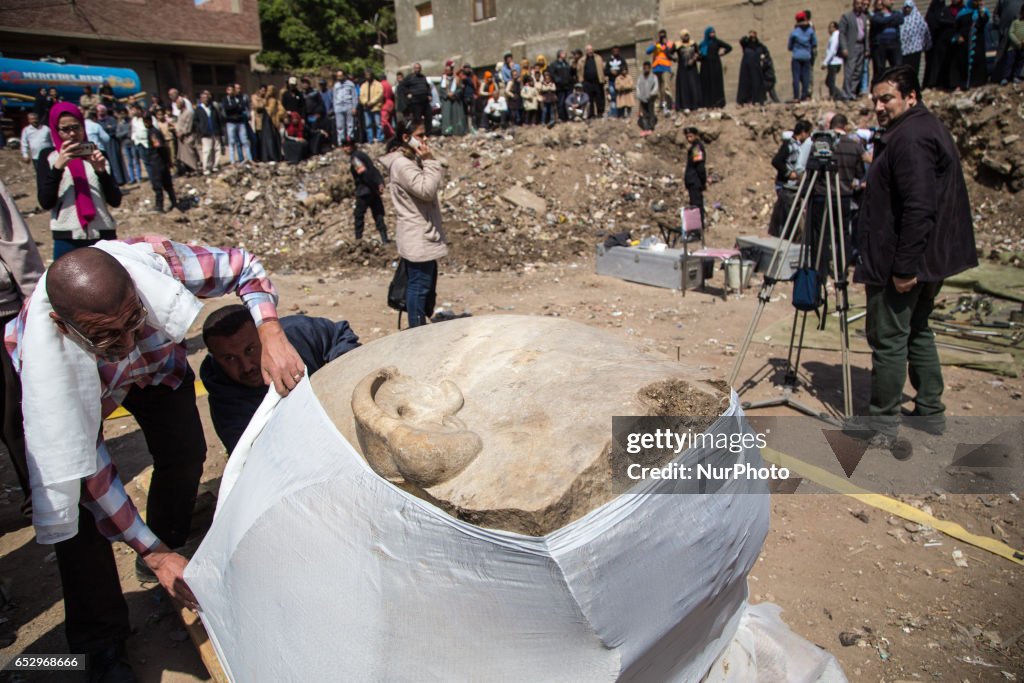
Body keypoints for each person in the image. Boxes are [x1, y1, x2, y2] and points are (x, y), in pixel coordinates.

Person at [5, 236, 303, 681]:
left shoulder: (161, 265)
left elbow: (244, 266)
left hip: (157, 371)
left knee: (185, 453)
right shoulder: (46, 363)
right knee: (76, 520)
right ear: (65, 327)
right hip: (76, 395)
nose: (126, 341)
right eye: (108, 335)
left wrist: (270, 330)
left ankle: (168, 547)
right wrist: (153, 554)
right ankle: (100, 645)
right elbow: (89, 469)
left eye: (134, 320)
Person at [853, 65, 976, 443]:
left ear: (911, 96)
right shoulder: (923, 129)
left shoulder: (910, 139)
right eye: (875, 99)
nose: (879, 106)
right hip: (928, 260)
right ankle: (930, 412)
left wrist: (904, 267)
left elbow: (919, 206)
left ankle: (884, 425)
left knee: (890, 340)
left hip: (906, 263)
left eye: (886, 98)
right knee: (919, 332)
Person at [200, 305, 359, 453]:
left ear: (263, 337)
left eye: (250, 349)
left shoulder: (297, 333)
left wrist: (339, 381)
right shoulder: (228, 410)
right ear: (215, 359)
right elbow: (254, 459)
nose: (246, 366)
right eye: (230, 358)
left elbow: (338, 335)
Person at [0, 179, 45, 517]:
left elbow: (15, 242)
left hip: (4, 312)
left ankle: (38, 488)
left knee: (14, 405)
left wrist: (37, 302)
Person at [381, 121, 447, 328]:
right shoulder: (402, 164)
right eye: (420, 135)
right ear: (405, 137)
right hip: (417, 233)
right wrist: (430, 162)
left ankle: (417, 326)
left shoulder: (409, 160)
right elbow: (426, 190)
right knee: (419, 286)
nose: (425, 139)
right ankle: (416, 330)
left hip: (420, 232)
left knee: (421, 284)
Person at [37, 103, 121, 259]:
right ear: (56, 129)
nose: (72, 134)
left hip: (102, 233)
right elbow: (45, 202)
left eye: (76, 127)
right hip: (67, 237)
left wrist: (101, 171)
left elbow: (115, 200)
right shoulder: (48, 157)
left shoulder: (98, 154)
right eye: (65, 129)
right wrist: (58, 168)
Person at [808, 113, 866, 280]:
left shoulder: (820, 145)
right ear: (845, 126)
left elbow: (810, 169)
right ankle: (841, 270)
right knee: (842, 234)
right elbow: (860, 172)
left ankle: (821, 269)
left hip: (822, 194)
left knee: (822, 234)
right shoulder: (854, 146)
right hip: (843, 196)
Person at [769, 120, 813, 237]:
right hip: (784, 185)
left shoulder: (797, 145)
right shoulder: (790, 145)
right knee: (789, 215)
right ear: (803, 133)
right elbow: (776, 161)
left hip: (790, 186)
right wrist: (789, 173)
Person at [341, 137, 389, 244]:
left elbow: (365, 174)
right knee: (378, 214)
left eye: (348, 146)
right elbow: (374, 169)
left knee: (359, 215)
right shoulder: (362, 155)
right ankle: (385, 239)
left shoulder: (355, 158)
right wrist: (379, 183)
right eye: (345, 146)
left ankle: (358, 240)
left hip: (364, 191)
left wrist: (374, 185)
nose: (346, 148)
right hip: (373, 190)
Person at [142, 112, 179, 213]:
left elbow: (159, 146)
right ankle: (173, 202)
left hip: (157, 162)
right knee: (167, 184)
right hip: (161, 161)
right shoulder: (154, 131)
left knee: (158, 185)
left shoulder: (153, 132)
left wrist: (166, 160)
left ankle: (160, 206)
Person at [952, 0, 992, 88]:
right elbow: (956, 28)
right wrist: (958, 37)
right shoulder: (963, 13)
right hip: (964, 45)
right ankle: (964, 84)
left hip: (977, 44)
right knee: (963, 64)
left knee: (978, 63)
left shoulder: (982, 12)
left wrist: (981, 10)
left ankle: (978, 83)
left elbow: (984, 22)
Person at [840, 0, 872, 98]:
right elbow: (842, 33)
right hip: (851, 47)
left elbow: (866, 35)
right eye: (857, 4)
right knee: (850, 70)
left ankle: (852, 92)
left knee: (858, 71)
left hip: (861, 46)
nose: (859, 6)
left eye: (861, 4)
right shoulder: (847, 17)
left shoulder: (864, 17)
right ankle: (846, 93)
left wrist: (867, 49)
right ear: (854, 4)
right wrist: (844, 47)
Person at [699, 27, 732, 108]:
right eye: (711, 33)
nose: (713, 34)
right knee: (706, 83)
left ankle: (718, 103)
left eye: (714, 33)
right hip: (705, 66)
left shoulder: (717, 42)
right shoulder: (703, 44)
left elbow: (729, 47)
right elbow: (699, 54)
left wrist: (722, 53)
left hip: (715, 65)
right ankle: (707, 103)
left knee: (716, 83)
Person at [871, 0, 906, 75]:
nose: (892, 2)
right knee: (879, 69)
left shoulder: (896, 13)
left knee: (897, 68)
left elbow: (901, 19)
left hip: (894, 44)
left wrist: (886, 21)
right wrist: (891, 20)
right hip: (880, 45)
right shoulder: (876, 15)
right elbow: (880, 21)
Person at [789, 12, 818, 101]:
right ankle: (805, 96)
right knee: (806, 77)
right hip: (807, 57)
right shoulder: (810, 31)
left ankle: (796, 96)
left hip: (796, 56)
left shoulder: (794, 33)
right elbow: (814, 43)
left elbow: (790, 46)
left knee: (796, 77)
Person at [683, 127, 708, 228]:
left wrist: (703, 181)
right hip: (692, 181)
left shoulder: (697, 148)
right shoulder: (694, 147)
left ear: (696, 135)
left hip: (695, 181)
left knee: (697, 206)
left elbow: (700, 167)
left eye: (691, 136)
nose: (689, 139)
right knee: (694, 205)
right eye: (687, 137)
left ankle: (698, 228)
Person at [901, 0, 933, 76]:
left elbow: (925, 31)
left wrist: (927, 44)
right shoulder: (901, 18)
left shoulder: (918, 19)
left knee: (914, 68)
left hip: (916, 49)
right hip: (904, 49)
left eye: (909, 7)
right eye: (906, 7)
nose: (907, 9)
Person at [646, 30, 675, 112]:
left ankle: (669, 104)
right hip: (656, 69)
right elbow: (648, 51)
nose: (662, 37)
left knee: (666, 87)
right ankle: (660, 106)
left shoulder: (669, 44)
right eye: (660, 36)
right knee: (658, 89)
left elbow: (671, 52)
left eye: (663, 35)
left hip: (665, 68)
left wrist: (665, 44)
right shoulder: (656, 44)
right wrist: (656, 44)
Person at [995, 0, 1024, 82]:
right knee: (1005, 57)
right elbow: (996, 14)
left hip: (1020, 35)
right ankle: (1003, 77)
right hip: (1005, 32)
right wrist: (999, 25)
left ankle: (1017, 76)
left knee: (1020, 59)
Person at [222, 85, 252, 164]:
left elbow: (242, 107)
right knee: (232, 142)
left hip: (240, 122)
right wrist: (235, 107)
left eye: (232, 90)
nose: (231, 91)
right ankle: (232, 161)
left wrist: (234, 107)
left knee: (245, 141)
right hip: (231, 122)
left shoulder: (238, 98)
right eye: (229, 89)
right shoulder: (225, 99)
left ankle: (250, 159)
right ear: (227, 91)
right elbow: (227, 109)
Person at [738, 30, 770, 104]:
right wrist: (748, 36)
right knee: (746, 83)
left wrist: (763, 58)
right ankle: (746, 99)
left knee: (756, 83)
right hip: (746, 68)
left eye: (754, 35)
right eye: (751, 36)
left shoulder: (759, 46)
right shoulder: (746, 45)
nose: (752, 38)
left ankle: (757, 99)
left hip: (756, 67)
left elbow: (766, 53)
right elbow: (741, 41)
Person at [675, 30, 703, 111]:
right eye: (685, 35)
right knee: (684, 87)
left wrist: (694, 59)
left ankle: (695, 105)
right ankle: (685, 105)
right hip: (682, 70)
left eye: (687, 35)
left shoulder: (693, 44)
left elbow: (699, 53)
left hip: (692, 69)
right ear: (681, 36)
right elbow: (669, 52)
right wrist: (674, 58)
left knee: (693, 85)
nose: (686, 37)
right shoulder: (678, 45)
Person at [195, 91, 222, 175]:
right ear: (201, 99)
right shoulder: (198, 109)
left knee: (217, 149)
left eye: (207, 98)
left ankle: (215, 166)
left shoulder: (213, 108)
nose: (206, 100)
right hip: (205, 133)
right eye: (204, 98)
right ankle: (206, 167)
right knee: (207, 151)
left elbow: (218, 120)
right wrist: (200, 130)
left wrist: (220, 131)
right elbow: (196, 122)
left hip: (215, 132)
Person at [403, 63, 433, 134]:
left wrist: (429, 95)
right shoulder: (409, 77)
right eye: (416, 68)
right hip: (416, 101)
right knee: (417, 118)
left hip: (425, 101)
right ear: (414, 69)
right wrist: (408, 93)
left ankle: (428, 132)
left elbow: (427, 87)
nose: (417, 69)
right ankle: (417, 132)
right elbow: (403, 87)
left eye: (419, 68)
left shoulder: (423, 77)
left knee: (429, 116)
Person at [258, 84, 284, 162]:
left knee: (274, 138)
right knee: (267, 139)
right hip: (266, 121)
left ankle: (274, 156)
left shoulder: (276, 101)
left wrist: (277, 115)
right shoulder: (265, 100)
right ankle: (267, 156)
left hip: (273, 121)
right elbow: (260, 107)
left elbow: (282, 111)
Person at [579, 46, 606, 119]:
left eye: (591, 50)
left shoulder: (598, 58)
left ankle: (600, 113)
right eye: (588, 50)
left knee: (599, 98)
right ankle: (591, 114)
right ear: (586, 51)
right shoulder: (582, 60)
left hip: (597, 82)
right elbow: (579, 71)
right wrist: (581, 81)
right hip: (587, 83)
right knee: (589, 99)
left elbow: (603, 68)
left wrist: (603, 79)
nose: (590, 51)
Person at [333, 70, 358, 144]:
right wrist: (335, 108)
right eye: (338, 76)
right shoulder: (336, 85)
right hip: (339, 106)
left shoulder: (350, 84)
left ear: (344, 76)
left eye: (340, 75)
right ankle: (341, 142)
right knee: (340, 126)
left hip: (348, 105)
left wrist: (354, 107)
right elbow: (334, 97)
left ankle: (350, 141)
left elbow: (354, 96)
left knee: (350, 125)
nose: (339, 77)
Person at [823, 22, 847, 100]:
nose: (829, 30)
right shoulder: (836, 36)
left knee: (830, 81)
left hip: (834, 62)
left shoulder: (835, 36)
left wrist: (825, 62)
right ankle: (834, 95)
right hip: (835, 61)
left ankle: (838, 95)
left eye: (830, 28)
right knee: (829, 81)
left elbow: (832, 50)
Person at [360, 70, 385, 143]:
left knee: (378, 124)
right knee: (368, 125)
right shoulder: (363, 85)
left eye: (368, 75)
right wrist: (365, 102)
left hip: (375, 107)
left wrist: (372, 102)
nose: (367, 77)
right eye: (366, 75)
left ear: (372, 75)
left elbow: (380, 94)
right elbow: (361, 96)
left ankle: (380, 138)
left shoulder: (378, 84)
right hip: (366, 107)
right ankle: (370, 139)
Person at [550, 50, 574, 121]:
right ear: (559, 54)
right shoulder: (554, 64)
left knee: (568, 101)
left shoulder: (566, 64)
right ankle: (561, 116)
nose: (565, 54)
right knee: (561, 102)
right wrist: (558, 81)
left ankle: (568, 116)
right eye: (563, 53)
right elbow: (553, 74)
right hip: (560, 87)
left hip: (568, 86)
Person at [636, 61, 659, 135]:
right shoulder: (640, 77)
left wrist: (652, 94)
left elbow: (656, 87)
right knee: (644, 114)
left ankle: (651, 127)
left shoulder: (653, 77)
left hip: (650, 98)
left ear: (650, 68)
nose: (646, 69)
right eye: (644, 68)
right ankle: (646, 128)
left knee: (651, 113)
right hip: (642, 98)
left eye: (647, 68)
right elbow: (637, 87)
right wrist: (638, 95)